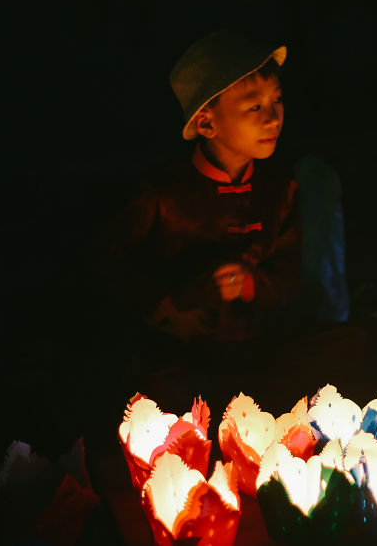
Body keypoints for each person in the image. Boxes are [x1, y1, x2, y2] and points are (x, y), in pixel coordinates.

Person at [95, 30, 301, 408]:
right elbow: (114, 275)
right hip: (181, 356)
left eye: (277, 100)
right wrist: (183, 298)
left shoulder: (279, 188)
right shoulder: (162, 195)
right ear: (207, 124)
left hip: (260, 346)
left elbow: (292, 275)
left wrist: (253, 284)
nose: (273, 118)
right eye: (254, 107)